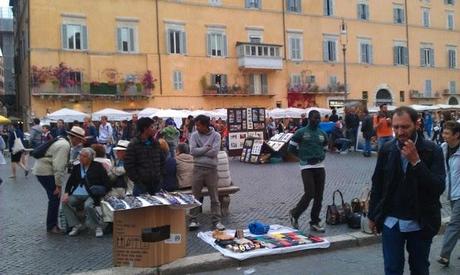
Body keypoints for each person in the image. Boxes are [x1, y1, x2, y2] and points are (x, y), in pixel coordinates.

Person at [368, 106, 445, 275]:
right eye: (395, 127)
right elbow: (378, 184)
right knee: (392, 268)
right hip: (391, 220)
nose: (400, 132)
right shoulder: (387, 149)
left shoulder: (433, 150)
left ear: (416, 124)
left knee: (419, 268)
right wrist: (372, 215)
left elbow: (438, 187)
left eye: (405, 127)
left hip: (420, 220)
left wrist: (416, 162)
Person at [288, 110, 328, 233]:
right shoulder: (301, 132)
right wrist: (302, 158)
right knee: (310, 193)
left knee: (319, 196)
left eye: (318, 119)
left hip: (320, 167)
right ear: (309, 119)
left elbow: (325, 148)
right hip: (306, 167)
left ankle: (314, 222)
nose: (317, 121)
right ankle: (295, 214)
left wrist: (321, 156)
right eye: (315, 119)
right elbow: (291, 148)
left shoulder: (322, 133)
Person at [32, 126, 74, 234]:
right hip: (46, 171)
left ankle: (52, 224)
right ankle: (52, 226)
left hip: (41, 170)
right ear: (75, 138)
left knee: (53, 198)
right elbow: (59, 167)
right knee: (55, 197)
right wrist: (58, 185)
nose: (79, 143)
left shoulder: (61, 140)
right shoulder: (65, 145)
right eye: (80, 140)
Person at [61, 147, 110, 237]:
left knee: (88, 206)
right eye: (80, 155)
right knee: (65, 203)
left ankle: (97, 226)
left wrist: (102, 192)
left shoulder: (98, 167)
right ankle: (76, 224)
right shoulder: (76, 167)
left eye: (84, 156)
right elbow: (70, 182)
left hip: (91, 194)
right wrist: (66, 193)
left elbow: (106, 183)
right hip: (76, 193)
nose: (80, 158)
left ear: (90, 158)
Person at [188, 115, 225, 231]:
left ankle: (217, 221)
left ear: (205, 125)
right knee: (195, 196)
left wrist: (201, 150)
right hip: (197, 168)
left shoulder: (216, 135)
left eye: (198, 125)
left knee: (214, 196)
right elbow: (192, 151)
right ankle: (193, 219)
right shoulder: (194, 135)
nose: (196, 127)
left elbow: (214, 152)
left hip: (211, 170)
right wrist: (206, 148)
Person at [437, 121, 460, 266]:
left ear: (457, 135)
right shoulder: (443, 148)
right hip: (451, 192)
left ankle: (444, 255)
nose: (443, 135)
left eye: (446, 133)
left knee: (454, 223)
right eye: (443, 132)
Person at [124, 117, 165, 196]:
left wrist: (160, 176)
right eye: (152, 127)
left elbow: (162, 160)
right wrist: (137, 180)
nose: (155, 129)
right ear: (145, 129)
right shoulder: (133, 144)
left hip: (156, 184)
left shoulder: (155, 143)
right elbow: (129, 165)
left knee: (157, 207)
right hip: (141, 186)